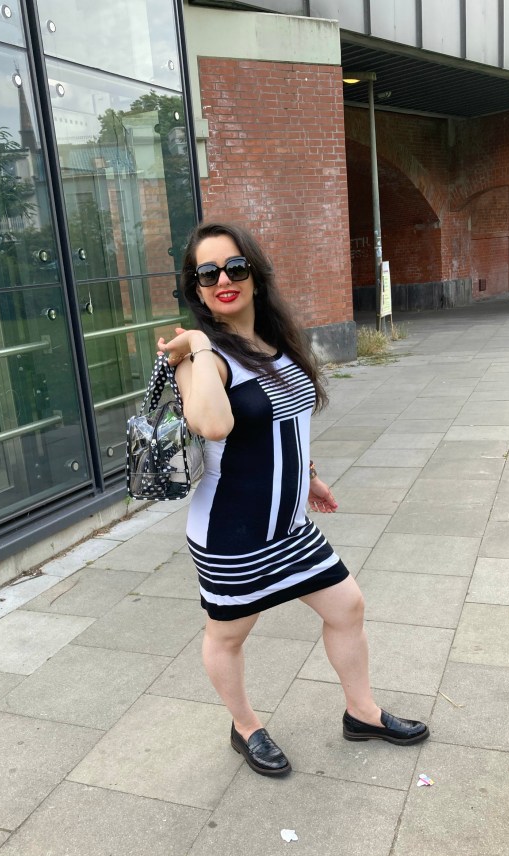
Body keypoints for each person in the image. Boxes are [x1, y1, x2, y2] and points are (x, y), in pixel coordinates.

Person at [158, 221, 428, 777]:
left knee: (347, 605)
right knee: (229, 635)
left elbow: (289, 420)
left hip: (288, 523)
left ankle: (362, 713)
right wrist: (202, 344)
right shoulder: (199, 359)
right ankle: (246, 727)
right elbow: (212, 423)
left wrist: (307, 475)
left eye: (235, 267)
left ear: (255, 273)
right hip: (232, 533)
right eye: (208, 273)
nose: (224, 280)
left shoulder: (277, 344)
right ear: (196, 288)